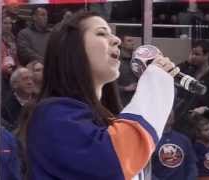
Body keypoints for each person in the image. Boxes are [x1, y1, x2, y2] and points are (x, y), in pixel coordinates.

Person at [22, 11, 180, 180]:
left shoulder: (108, 121)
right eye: (101, 33)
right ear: (72, 48)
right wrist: (156, 84)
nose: (116, 40)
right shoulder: (51, 116)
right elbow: (113, 162)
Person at [173, 40, 209, 140]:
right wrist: (187, 62)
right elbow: (173, 72)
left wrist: (205, 108)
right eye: (191, 53)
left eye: (197, 54)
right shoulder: (187, 70)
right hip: (183, 121)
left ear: (206, 55)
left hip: (204, 124)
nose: (193, 56)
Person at [151, 111, 197, 180]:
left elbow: (191, 165)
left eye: (171, 111)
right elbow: (146, 169)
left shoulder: (183, 139)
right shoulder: (151, 140)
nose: (170, 113)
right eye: (167, 110)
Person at [1, 67, 36, 132]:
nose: (30, 82)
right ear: (14, 84)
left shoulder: (39, 100)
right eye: (25, 79)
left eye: (31, 79)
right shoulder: (6, 107)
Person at [117, 34, 138, 107]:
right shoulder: (116, 61)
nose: (132, 43)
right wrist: (125, 88)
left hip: (136, 102)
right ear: (122, 44)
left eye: (133, 41)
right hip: (121, 103)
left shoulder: (138, 60)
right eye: (129, 41)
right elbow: (108, 86)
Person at [1, 15, 19, 100]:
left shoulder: (13, 38)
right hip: (1, 75)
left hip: (12, 73)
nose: (8, 26)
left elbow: (16, 57)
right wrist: (4, 68)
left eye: (10, 23)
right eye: (5, 23)